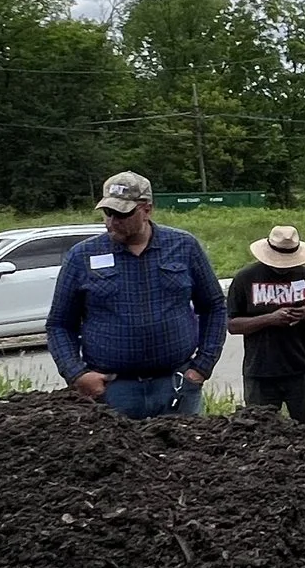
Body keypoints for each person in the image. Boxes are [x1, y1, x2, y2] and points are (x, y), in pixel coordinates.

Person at [46, 171, 228, 420]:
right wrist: (76, 374)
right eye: (107, 213)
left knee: (186, 457)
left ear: (147, 209)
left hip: (176, 385)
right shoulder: (82, 256)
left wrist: (202, 367)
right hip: (112, 391)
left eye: (122, 214)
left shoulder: (184, 247)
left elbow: (214, 306)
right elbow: (59, 324)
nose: (112, 222)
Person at [226, 223, 305, 426]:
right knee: (259, 431)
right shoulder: (245, 279)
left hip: (302, 369)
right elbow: (233, 325)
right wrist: (270, 319)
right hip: (260, 371)